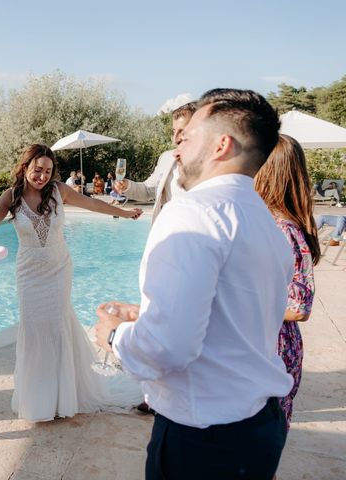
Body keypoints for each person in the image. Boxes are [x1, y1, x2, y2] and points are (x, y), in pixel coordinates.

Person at [95, 89, 294, 479]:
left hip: (204, 438)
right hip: (258, 426)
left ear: (222, 144)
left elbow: (167, 348)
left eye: (187, 135)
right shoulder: (265, 220)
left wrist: (115, 336)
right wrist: (149, 314)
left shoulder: (194, 212)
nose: (178, 145)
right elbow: (236, 313)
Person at [0, 144, 144, 422]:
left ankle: (63, 396)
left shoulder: (58, 191)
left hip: (59, 270)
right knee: (35, 331)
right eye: (37, 170)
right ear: (25, 167)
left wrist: (123, 213)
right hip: (29, 275)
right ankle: (39, 398)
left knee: (56, 327)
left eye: (48, 171)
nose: (42, 176)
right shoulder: (11, 196)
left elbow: (92, 204)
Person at [255, 134, 320, 432]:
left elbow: (298, 307)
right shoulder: (269, 223)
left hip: (273, 349)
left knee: (260, 440)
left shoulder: (283, 230)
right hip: (266, 345)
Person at [114, 102, 197, 222]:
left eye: (182, 131)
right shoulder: (167, 158)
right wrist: (127, 186)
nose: (175, 138)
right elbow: (148, 190)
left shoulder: (216, 163)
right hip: (169, 231)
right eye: (174, 131)